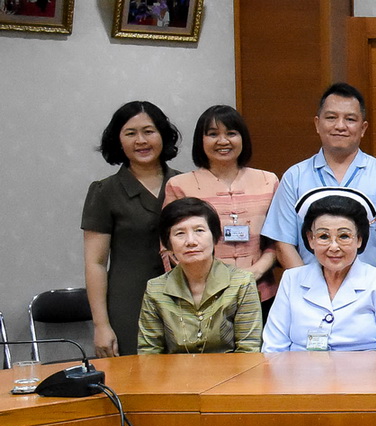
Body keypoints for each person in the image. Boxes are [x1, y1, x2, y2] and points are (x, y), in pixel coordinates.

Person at [261, 82, 376, 273]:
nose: (340, 126)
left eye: (350, 119)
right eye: (331, 117)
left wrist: (375, 288)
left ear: (363, 127)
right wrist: (308, 288)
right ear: (317, 124)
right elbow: (283, 242)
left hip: (372, 296)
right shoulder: (295, 177)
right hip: (309, 296)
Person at [82, 100, 183, 357]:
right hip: (129, 302)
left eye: (149, 131)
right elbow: (95, 262)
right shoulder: (104, 191)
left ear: (163, 135)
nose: (141, 140)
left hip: (185, 298)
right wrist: (101, 325)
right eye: (130, 133)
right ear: (118, 140)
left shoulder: (185, 184)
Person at [262, 191, 376, 352]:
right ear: (311, 239)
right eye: (324, 236)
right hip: (302, 373)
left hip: (365, 374)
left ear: (359, 239)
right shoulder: (292, 279)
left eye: (344, 236)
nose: (334, 247)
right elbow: (273, 346)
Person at [164, 105, 279, 305]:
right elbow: (169, 246)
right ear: (201, 141)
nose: (223, 141)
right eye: (213, 134)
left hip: (260, 292)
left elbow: (278, 240)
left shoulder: (268, 181)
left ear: (243, 138)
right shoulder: (179, 185)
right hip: (201, 296)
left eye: (231, 133)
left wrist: (255, 272)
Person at [137, 198, 262, 353]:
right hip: (173, 375)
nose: (191, 241)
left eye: (199, 231)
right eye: (180, 233)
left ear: (215, 236)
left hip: (232, 374)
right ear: (168, 244)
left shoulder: (241, 283)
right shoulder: (155, 288)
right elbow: (149, 353)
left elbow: (248, 350)